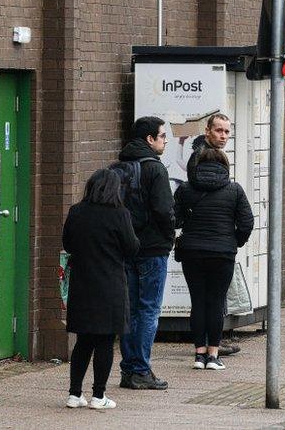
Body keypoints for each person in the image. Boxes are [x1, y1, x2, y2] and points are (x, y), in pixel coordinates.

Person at [63, 169, 140, 411]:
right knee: (105, 340)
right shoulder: (119, 214)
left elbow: (67, 243)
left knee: (84, 340)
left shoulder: (77, 211)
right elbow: (131, 247)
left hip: (82, 284)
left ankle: (74, 394)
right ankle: (99, 395)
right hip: (110, 286)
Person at [174, 147, 254, 370]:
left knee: (198, 301)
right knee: (216, 302)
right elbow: (247, 222)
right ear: (224, 166)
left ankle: (199, 355)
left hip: (192, 252)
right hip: (222, 253)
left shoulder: (185, 189)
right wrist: (234, 241)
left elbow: (175, 220)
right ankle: (213, 355)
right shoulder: (234, 190)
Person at [117, 116, 175, 391]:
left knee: (129, 310)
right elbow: (164, 210)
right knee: (149, 309)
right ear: (150, 139)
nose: (165, 140)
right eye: (162, 136)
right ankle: (141, 369)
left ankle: (129, 368)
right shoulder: (155, 170)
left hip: (126, 248)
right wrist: (169, 235)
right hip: (152, 249)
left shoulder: (118, 168)